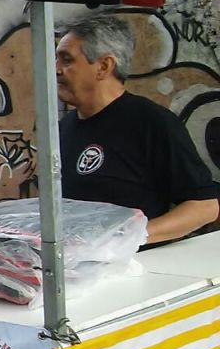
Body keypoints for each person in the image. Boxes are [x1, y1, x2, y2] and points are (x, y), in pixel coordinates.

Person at [56, 14, 218, 245]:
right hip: (74, 263)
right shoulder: (62, 129)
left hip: (135, 264)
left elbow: (204, 207)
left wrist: (126, 238)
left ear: (104, 66)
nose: (56, 69)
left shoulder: (152, 122)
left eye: (67, 60)